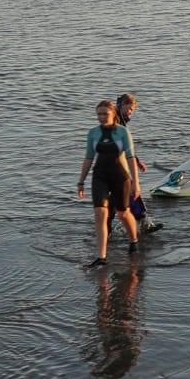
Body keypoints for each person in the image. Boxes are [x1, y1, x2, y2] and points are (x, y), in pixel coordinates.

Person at [75, 100, 143, 267]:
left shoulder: (122, 132)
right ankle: (102, 257)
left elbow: (131, 158)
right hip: (99, 177)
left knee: (123, 213)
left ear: (113, 113)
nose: (102, 117)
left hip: (120, 177)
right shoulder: (92, 133)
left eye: (105, 113)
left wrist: (136, 184)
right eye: (99, 114)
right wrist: (81, 182)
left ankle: (134, 240)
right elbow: (88, 158)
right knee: (100, 213)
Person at [114, 93, 162, 233]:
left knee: (129, 195)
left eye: (132, 111)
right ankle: (142, 224)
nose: (130, 113)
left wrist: (137, 161)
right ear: (122, 105)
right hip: (116, 165)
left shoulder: (121, 121)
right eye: (129, 109)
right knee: (132, 192)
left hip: (120, 164)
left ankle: (140, 223)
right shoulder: (116, 122)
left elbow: (127, 147)